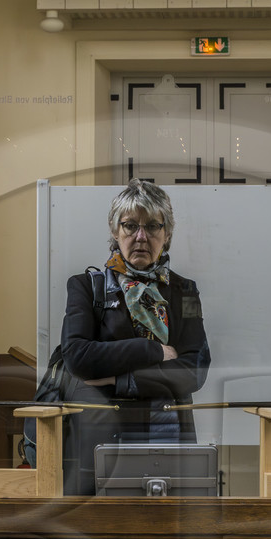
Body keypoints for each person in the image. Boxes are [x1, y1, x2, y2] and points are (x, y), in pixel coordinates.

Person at [57, 179, 211, 496]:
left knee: (168, 525)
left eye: (152, 226)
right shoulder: (85, 287)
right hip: (103, 438)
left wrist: (118, 380)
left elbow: (195, 369)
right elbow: (78, 358)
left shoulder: (185, 291)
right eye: (130, 226)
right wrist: (153, 350)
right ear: (115, 231)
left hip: (171, 437)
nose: (141, 237)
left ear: (166, 234)